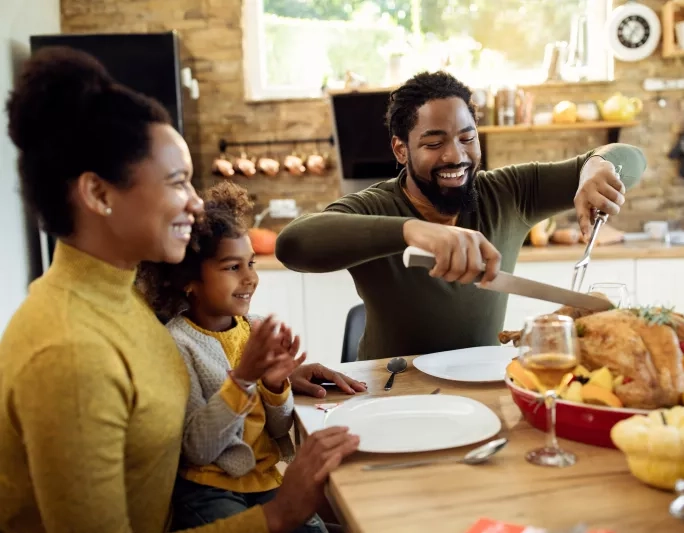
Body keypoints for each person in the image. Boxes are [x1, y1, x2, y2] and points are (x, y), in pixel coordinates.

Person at [0, 46, 361, 533]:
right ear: (98, 194)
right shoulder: (70, 351)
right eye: (178, 182)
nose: (195, 204)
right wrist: (277, 514)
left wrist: (276, 377)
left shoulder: (121, 295)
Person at [276, 71, 647, 361]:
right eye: (434, 143)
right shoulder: (375, 206)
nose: (456, 156)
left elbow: (631, 158)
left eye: (467, 138)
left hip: (485, 387)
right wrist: (414, 232)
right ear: (401, 150)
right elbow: (293, 244)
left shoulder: (510, 192)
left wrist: (596, 166)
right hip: (391, 390)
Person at [136, 181, 325, 532]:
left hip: (264, 479)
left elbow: (280, 428)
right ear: (188, 279)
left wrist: (274, 384)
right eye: (232, 267)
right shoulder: (177, 344)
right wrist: (243, 379)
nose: (251, 277)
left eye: (250, 263)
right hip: (207, 487)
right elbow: (198, 449)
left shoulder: (252, 328)